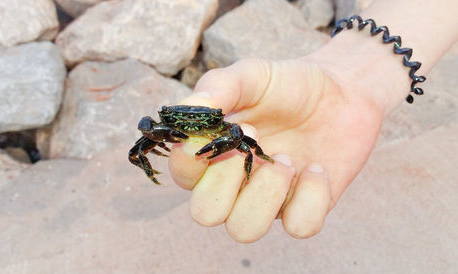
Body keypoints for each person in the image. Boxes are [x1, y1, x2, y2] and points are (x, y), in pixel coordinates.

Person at [167, 0, 458, 243]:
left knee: (245, 142)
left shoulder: (225, 127)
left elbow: (241, 137)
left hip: (221, 131)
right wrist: (354, 76)